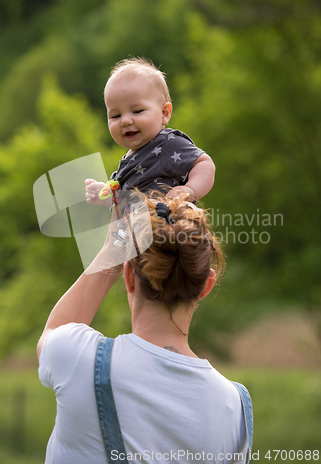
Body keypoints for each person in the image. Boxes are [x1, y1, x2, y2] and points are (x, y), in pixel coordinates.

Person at [37, 192, 251, 464]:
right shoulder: (235, 408)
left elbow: (54, 330)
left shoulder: (79, 358)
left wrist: (115, 247)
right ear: (206, 287)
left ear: (128, 276)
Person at [85, 58, 216, 206]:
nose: (125, 121)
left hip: (167, 224)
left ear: (164, 113)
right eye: (116, 115)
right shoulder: (128, 162)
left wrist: (190, 189)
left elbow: (205, 164)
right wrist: (106, 197)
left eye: (137, 111)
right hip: (135, 228)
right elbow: (127, 205)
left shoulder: (166, 143)